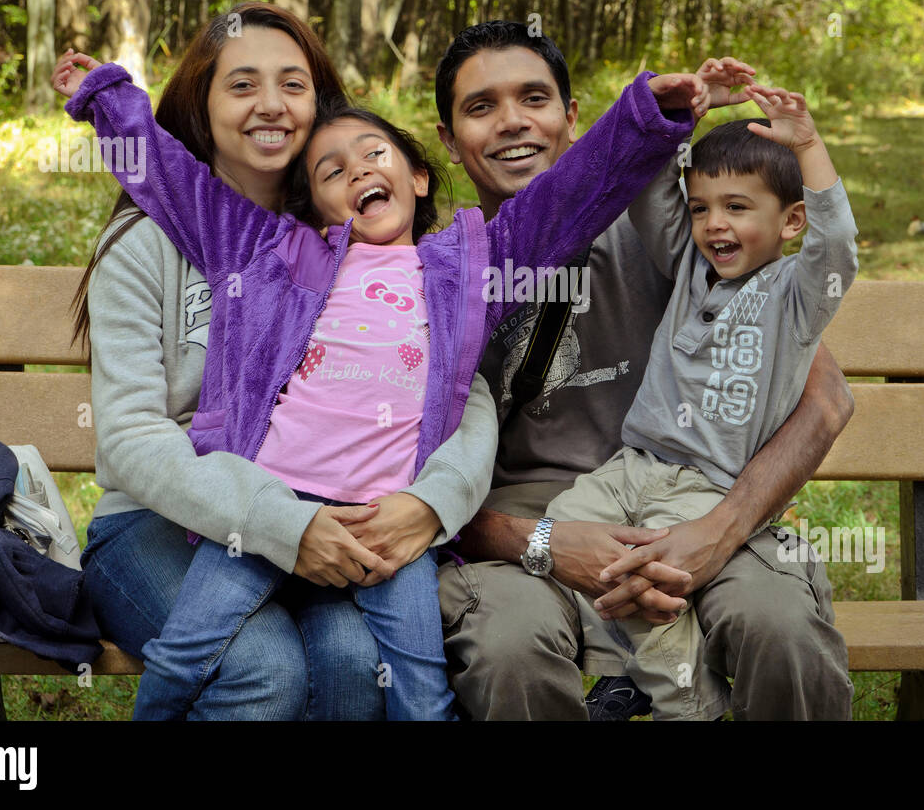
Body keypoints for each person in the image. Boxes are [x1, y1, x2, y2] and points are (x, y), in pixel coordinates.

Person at [56, 39, 733, 717]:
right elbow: (178, 186)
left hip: (390, 521)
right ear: (312, 206)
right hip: (268, 503)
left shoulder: (467, 268)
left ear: (419, 176)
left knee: (414, 684)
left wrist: (648, 115)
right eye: (330, 170)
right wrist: (108, 99)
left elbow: (565, 200)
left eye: (374, 155)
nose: (357, 172)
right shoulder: (277, 257)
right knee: (195, 651)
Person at [71, 1, 498, 720]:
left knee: (354, 663)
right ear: (201, 107)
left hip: (328, 516)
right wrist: (279, 523)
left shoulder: (348, 235)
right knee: (262, 671)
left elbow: (454, 381)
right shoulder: (145, 245)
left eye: (292, 84)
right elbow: (131, 440)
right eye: (242, 85)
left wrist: (431, 501)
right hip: (155, 522)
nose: (270, 104)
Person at [432, 21, 856, 720]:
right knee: (509, 646)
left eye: (534, 98)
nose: (512, 122)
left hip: (699, 497)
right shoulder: (436, 270)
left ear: (573, 119)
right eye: (480, 107)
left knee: (777, 625)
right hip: (527, 526)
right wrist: (542, 542)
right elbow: (412, 484)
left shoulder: (677, 237)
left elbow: (828, 399)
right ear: (448, 138)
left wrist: (720, 530)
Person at [547, 70, 859, 719]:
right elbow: (648, 193)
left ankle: (688, 704)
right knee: (558, 542)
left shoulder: (797, 297)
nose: (714, 224)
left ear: (792, 220)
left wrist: (807, 144)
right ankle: (625, 671)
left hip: (703, 487)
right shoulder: (690, 264)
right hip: (628, 468)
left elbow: (837, 247)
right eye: (702, 207)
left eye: (738, 208)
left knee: (648, 583)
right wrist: (684, 114)